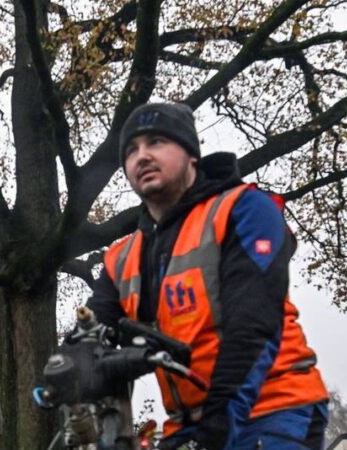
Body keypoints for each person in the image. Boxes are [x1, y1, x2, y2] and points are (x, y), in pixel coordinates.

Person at [85, 102, 329, 449]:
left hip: (273, 408)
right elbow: (93, 331)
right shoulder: (120, 257)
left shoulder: (243, 208)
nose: (142, 156)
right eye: (131, 150)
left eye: (156, 142)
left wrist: (217, 426)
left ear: (191, 155)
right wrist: (74, 362)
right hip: (188, 423)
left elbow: (253, 325)